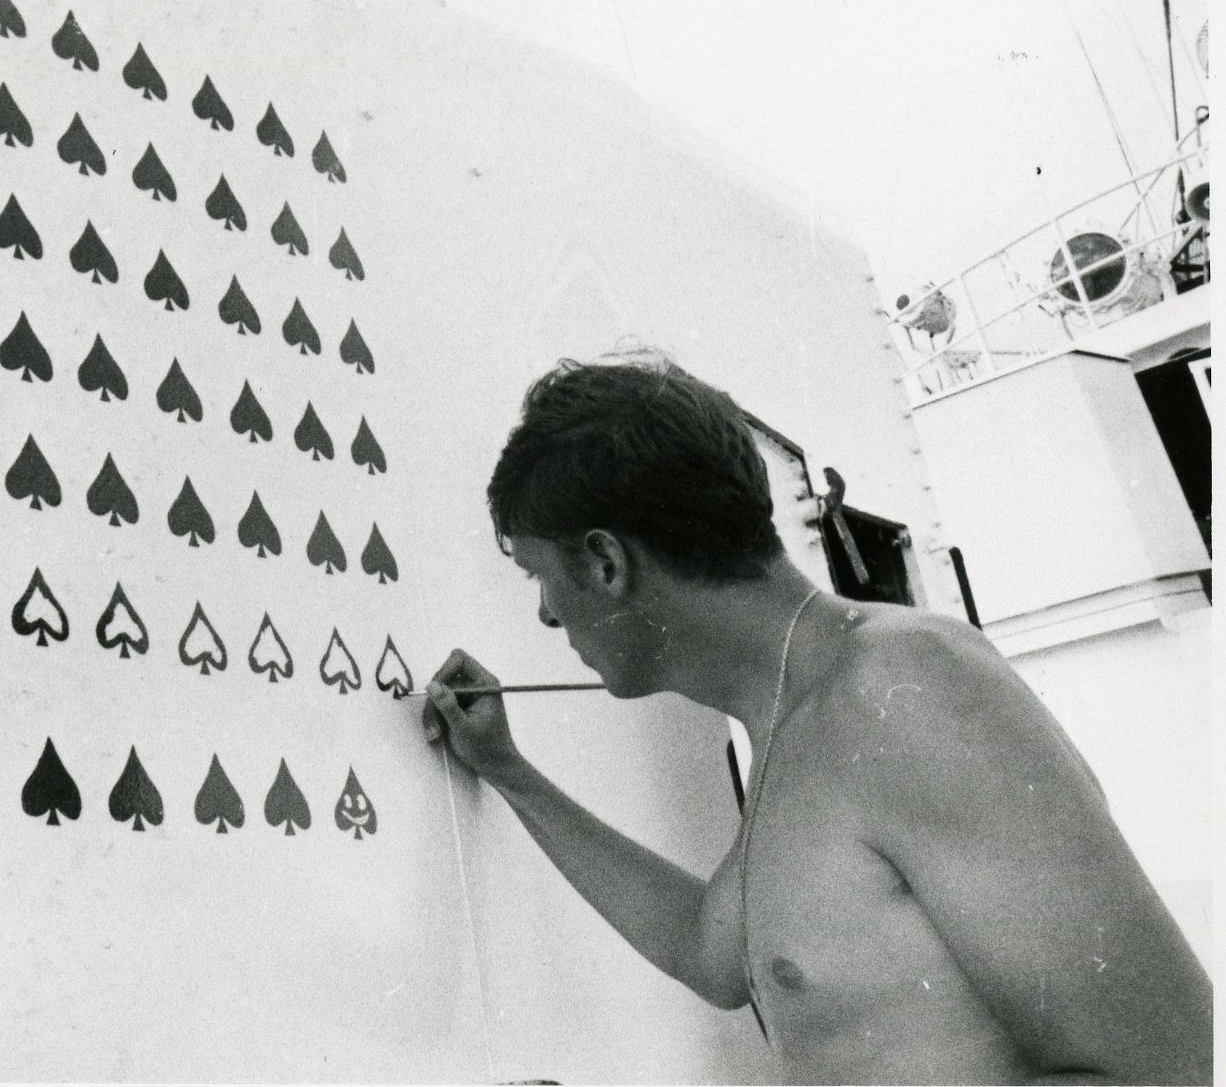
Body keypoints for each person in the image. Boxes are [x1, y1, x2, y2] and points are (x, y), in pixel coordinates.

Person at [422, 353, 1212, 1085]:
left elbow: (1170, 1065)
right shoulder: (790, 715)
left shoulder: (902, 684)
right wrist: (508, 771)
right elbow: (710, 951)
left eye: (537, 575)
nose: (545, 614)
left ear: (605, 562)